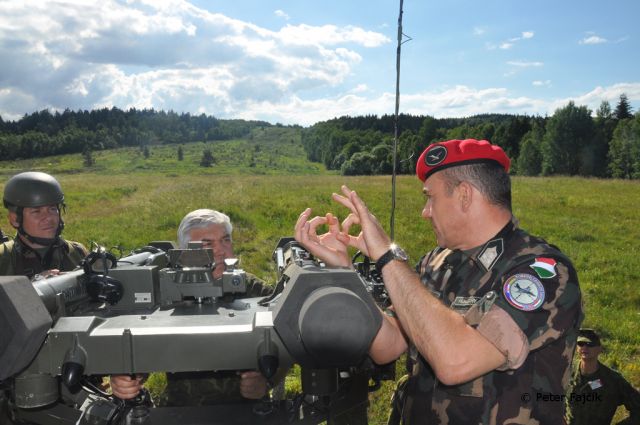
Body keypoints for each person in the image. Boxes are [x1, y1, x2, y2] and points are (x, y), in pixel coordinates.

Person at [295, 138, 583, 424]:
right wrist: (345, 272)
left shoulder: (542, 273)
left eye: (430, 197)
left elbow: (455, 362)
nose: (425, 211)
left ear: (465, 195)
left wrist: (387, 255)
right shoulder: (436, 262)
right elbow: (387, 347)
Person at [110, 209, 273, 405]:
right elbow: (142, 344)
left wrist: (266, 382)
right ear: (185, 252)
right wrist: (126, 378)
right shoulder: (168, 290)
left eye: (225, 240)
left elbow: (287, 343)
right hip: (183, 408)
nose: (221, 251)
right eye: (207, 244)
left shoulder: (254, 289)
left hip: (246, 407)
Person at [0, 171, 88, 278]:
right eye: (36, 211)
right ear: (15, 219)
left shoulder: (77, 252)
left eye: (52, 209)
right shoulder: (3, 260)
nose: (49, 218)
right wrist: (33, 285)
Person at [565, 328, 640, 425]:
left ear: (600, 349)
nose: (584, 347)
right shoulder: (566, 374)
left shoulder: (613, 380)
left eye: (590, 344)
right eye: (581, 344)